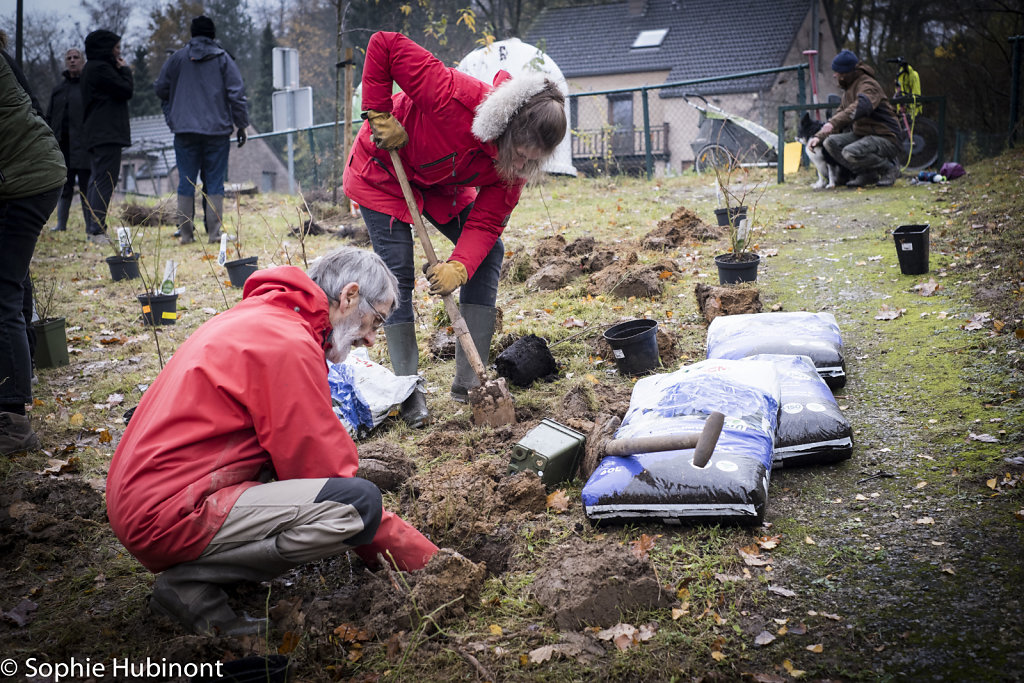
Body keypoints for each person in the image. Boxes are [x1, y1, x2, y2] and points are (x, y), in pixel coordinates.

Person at [105, 247, 439, 636]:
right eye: (375, 321)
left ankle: (206, 569)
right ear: (349, 297)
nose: (369, 339)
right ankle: (189, 583)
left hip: (151, 494)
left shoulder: (262, 318)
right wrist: (428, 563)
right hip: (169, 511)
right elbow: (326, 474)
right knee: (353, 506)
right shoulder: (288, 345)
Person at [342, 31, 566, 428]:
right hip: (383, 169)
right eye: (518, 153)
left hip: (439, 182)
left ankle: (469, 385)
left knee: (488, 255)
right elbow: (385, 45)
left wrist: (459, 266)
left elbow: (486, 222)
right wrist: (379, 112)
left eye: (532, 160)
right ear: (508, 128)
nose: (520, 165)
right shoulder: (454, 96)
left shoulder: (516, 167)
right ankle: (407, 391)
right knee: (397, 275)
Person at [0, 30, 67, 455]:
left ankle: (12, 419)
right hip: (36, 172)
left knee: (1, 291)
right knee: (14, 278)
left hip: (22, 181)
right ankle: (21, 382)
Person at [154, 15, 249, 245]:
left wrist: (173, 117)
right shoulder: (223, 59)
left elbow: (160, 89)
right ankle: (215, 234)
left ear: (192, 33)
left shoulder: (177, 59)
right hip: (216, 131)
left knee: (185, 181)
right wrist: (242, 124)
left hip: (184, 131)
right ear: (213, 34)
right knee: (214, 182)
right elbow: (237, 95)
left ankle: (186, 234)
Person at [807, 49, 902, 188]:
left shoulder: (868, 85)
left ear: (846, 73)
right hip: (864, 135)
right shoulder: (848, 91)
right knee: (830, 143)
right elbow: (840, 114)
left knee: (849, 152)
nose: (835, 75)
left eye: (837, 72)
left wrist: (832, 123)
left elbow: (861, 106)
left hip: (886, 136)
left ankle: (889, 169)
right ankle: (865, 174)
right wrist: (819, 137)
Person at [81, 29, 133, 245]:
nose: (119, 53)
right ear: (106, 49)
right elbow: (126, 90)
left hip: (96, 133)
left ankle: (94, 227)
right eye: (116, 48)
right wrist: (126, 70)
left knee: (97, 179)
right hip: (107, 133)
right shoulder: (102, 69)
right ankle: (97, 230)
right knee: (105, 180)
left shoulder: (90, 68)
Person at [47, 47, 91, 232]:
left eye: (76, 57)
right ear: (65, 62)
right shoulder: (59, 91)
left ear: (82, 61)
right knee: (64, 186)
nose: (72, 60)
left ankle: (91, 226)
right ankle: (61, 224)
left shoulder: (87, 87)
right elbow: (49, 118)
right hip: (63, 147)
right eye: (69, 58)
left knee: (86, 189)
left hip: (85, 146)